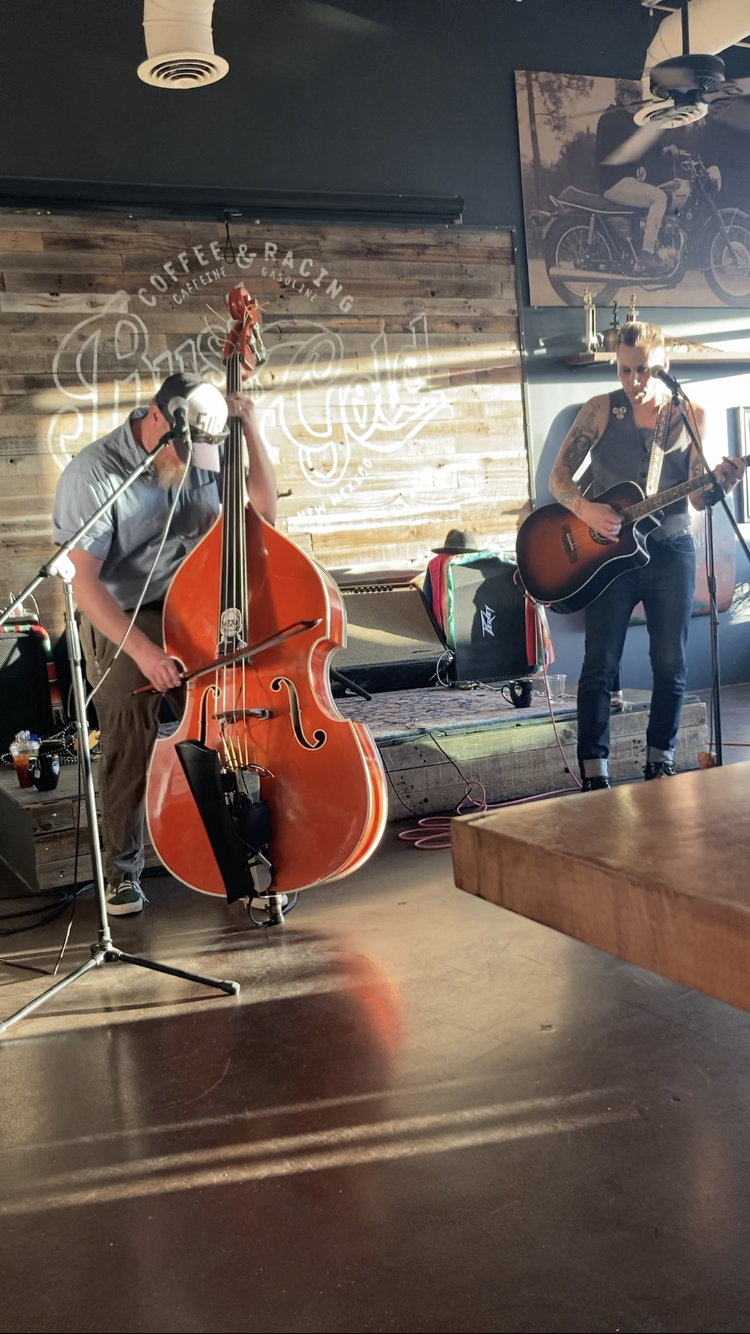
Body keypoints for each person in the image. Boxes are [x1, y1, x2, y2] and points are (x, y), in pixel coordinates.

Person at [52, 372, 277, 914]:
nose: (194, 462)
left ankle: (248, 852)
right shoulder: (95, 473)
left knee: (230, 721)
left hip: (195, 605)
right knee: (129, 730)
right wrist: (145, 652)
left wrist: (251, 429)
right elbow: (84, 584)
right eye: (185, 448)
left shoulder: (206, 449)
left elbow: (264, 515)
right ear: (158, 417)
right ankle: (122, 872)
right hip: (124, 613)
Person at [549, 320, 745, 791]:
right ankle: (594, 771)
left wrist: (722, 484)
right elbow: (559, 479)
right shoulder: (600, 409)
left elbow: (696, 496)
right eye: (624, 369)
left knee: (670, 664)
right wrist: (586, 509)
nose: (633, 380)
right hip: (609, 556)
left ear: (664, 366)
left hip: (671, 550)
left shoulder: (691, 414)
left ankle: (661, 762)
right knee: (599, 663)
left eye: (643, 370)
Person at [595, 79, 670, 276]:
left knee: (654, 195)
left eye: (638, 95)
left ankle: (639, 253)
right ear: (620, 95)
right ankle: (647, 254)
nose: (635, 99)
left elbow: (622, 148)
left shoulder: (622, 119)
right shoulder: (613, 117)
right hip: (613, 183)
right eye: (630, 94)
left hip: (619, 179)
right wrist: (662, 149)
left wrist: (636, 168)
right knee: (659, 197)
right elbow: (636, 137)